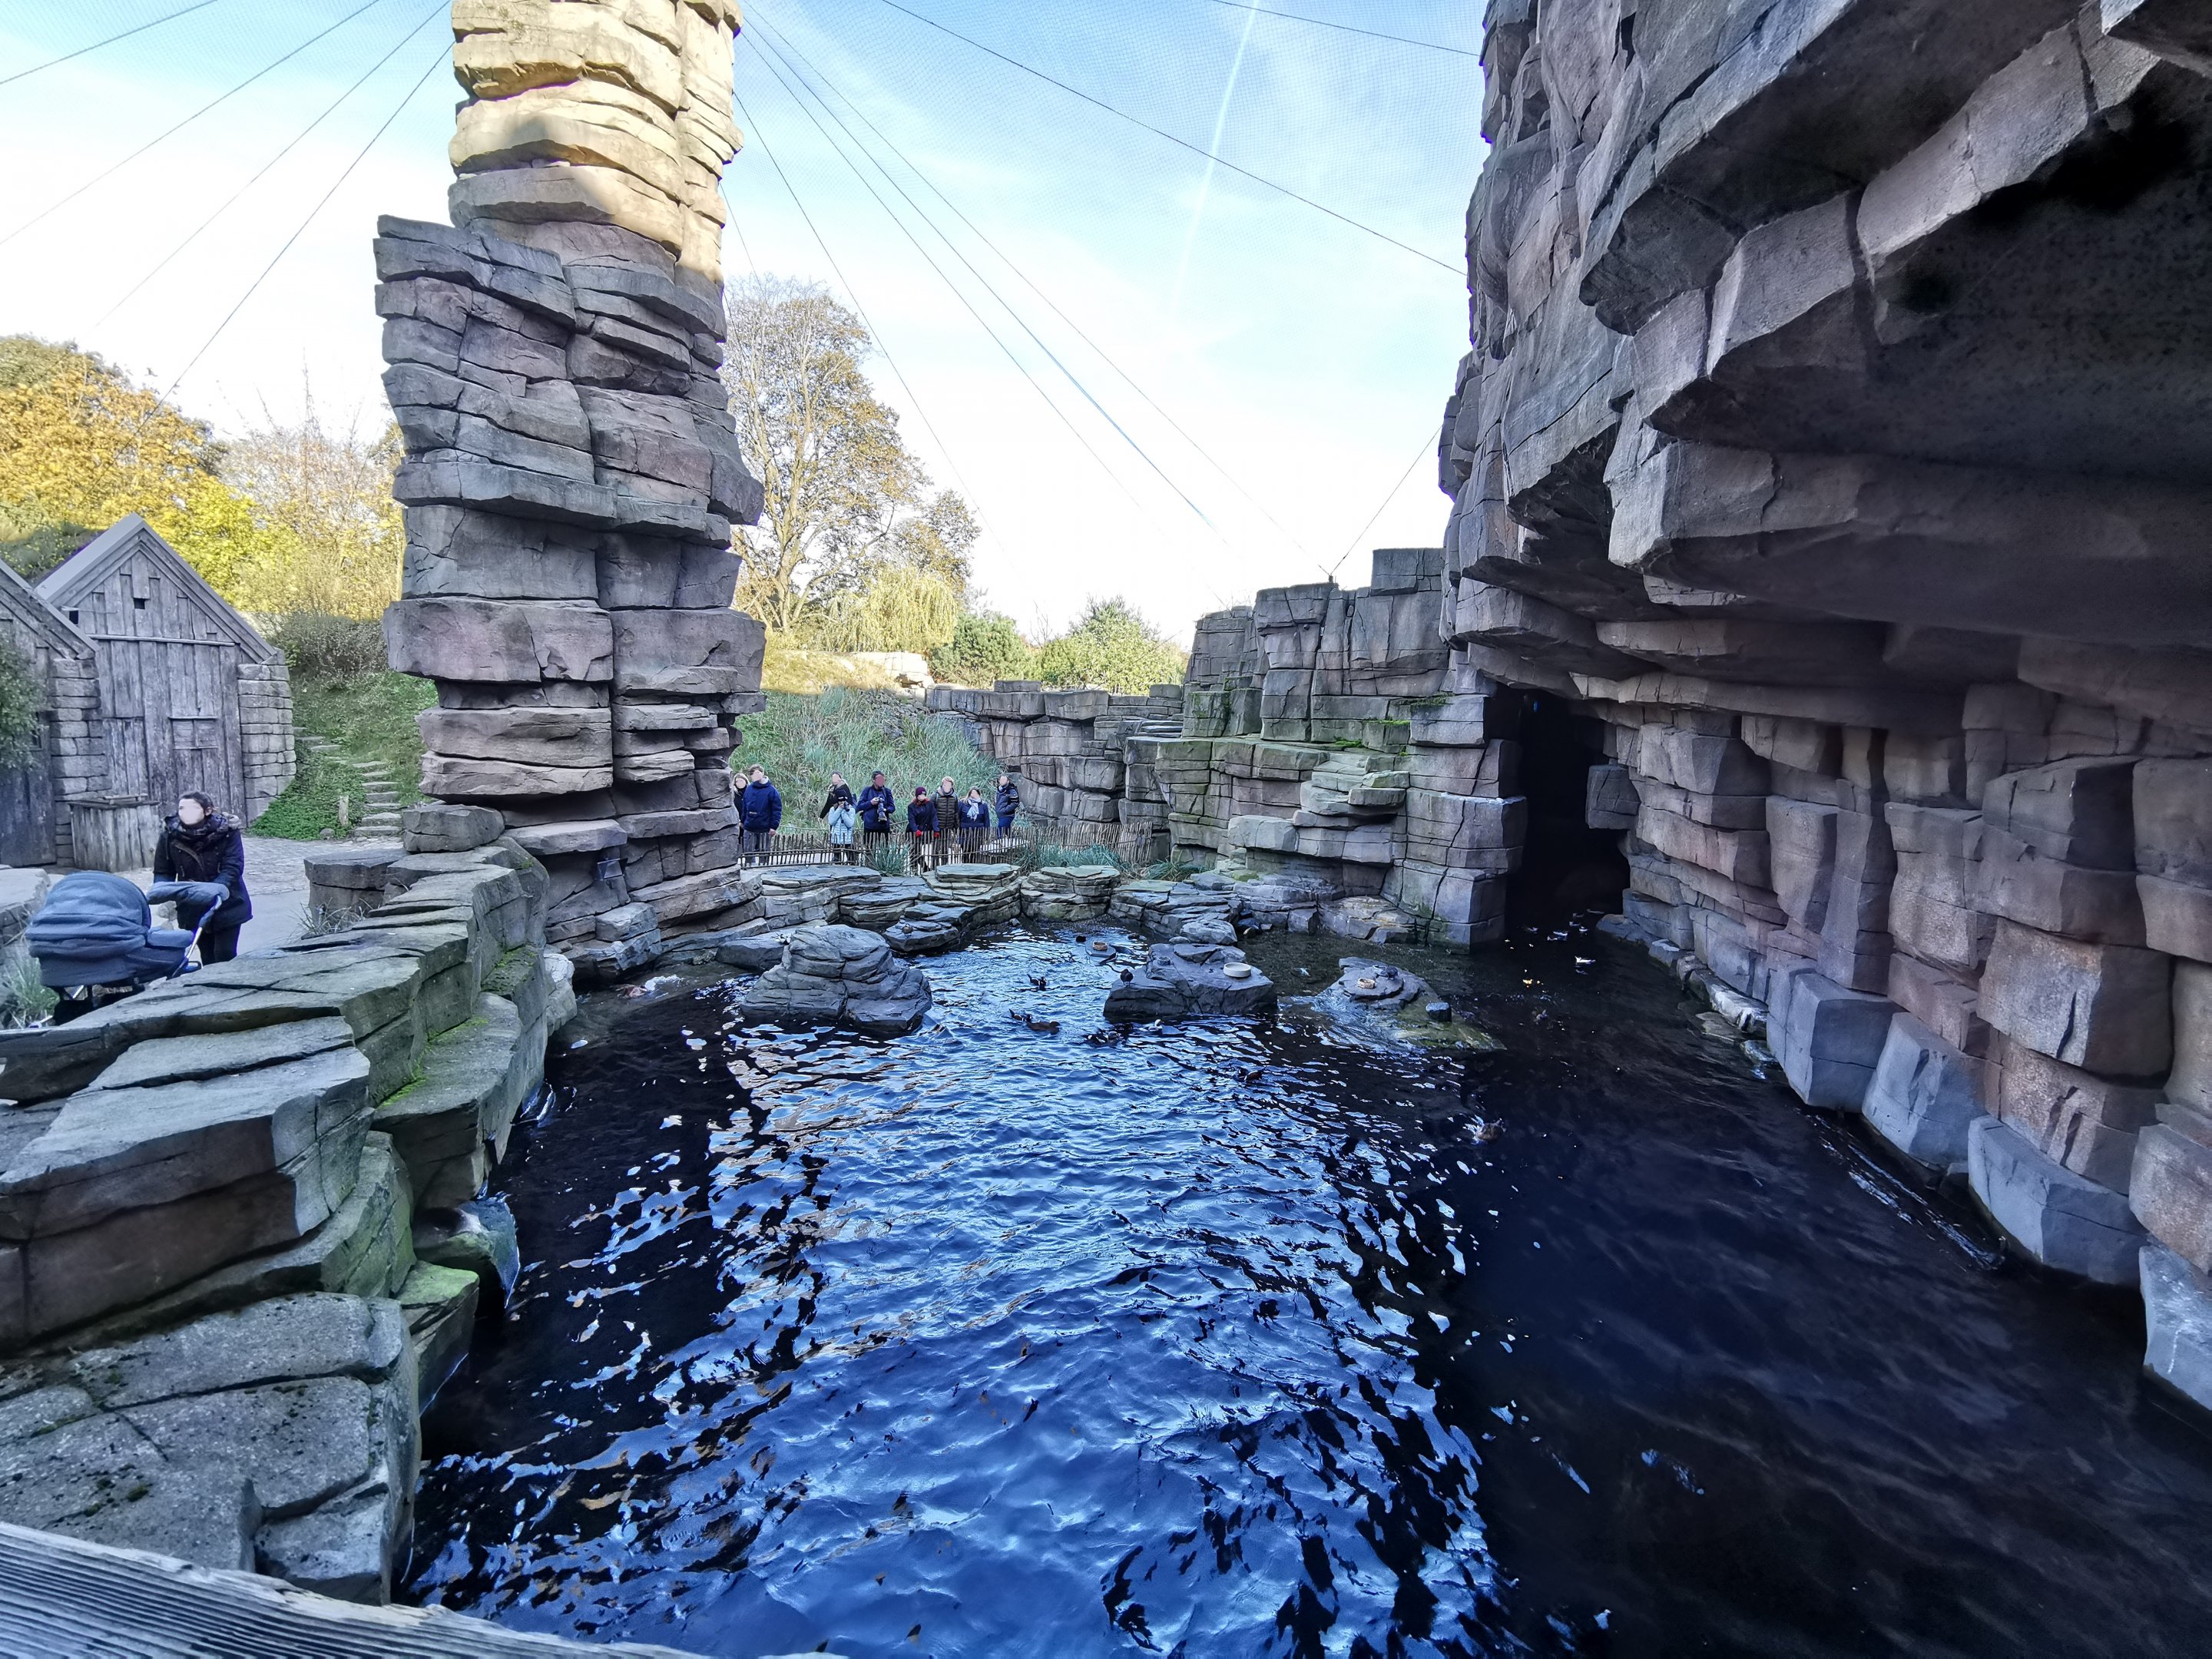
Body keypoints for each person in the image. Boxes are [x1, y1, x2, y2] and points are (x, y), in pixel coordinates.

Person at [151, 791, 251, 963]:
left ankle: (231, 987)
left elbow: (233, 867)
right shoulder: (169, 835)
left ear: (207, 811)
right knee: (207, 956)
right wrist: (164, 892)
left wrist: (214, 890)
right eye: (182, 808)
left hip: (227, 902)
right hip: (191, 906)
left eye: (193, 808)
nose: (186, 813)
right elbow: (163, 870)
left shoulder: (228, 832)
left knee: (225, 953)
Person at [738, 764, 783, 863]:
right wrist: (743, 821)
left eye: (756, 773)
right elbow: (745, 807)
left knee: (764, 854)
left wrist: (774, 827)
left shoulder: (772, 791)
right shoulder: (749, 789)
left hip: (765, 827)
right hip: (749, 826)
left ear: (762, 773)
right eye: (752, 774)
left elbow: (777, 810)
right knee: (749, 854)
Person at [857, 770, 896, 859]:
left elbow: (892, 807)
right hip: (870, 826)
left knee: (885, 850)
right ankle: (869, 868)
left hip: (883, 826)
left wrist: (885, 810)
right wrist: (871, 803)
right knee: (869, 850)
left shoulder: (887, 791)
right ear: (873, 780)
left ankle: (883, 868)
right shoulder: (867, 791)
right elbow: (859, 806)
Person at [906, 785, 939, 870]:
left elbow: (934, 817)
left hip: (925, 831)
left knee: (918, 851)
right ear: (917, 796)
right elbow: (911, 820)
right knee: (914, 852)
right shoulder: (911, 806)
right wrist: (916, 830)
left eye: (924, 795)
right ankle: (918, 869)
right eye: (920, 795)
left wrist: (936, 829)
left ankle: (925, 869)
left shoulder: (930, 805)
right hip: (913, 832)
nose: (922, 797)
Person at [934, 776, 961, 864]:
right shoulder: (935, 795)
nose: (946, 785)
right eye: (945, 784)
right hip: (937, 828)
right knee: (936, 850)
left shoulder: (955, 797)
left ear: (952, 785)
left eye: (948, 784)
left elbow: (956, 812)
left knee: (946, 850)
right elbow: (931, 812)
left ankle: (944, 868)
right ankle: (934, 868)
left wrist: (957, 826)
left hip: (948, 827)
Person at [826, 794, 859, 863]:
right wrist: (839, 810)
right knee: (837, 858)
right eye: (840, 801)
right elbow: (832, 822)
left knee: (851, 858)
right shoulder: (833, 809)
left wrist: (844, 812)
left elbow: (850, 824)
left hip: (847, 837)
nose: (842, 802)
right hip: (836, 836)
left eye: (844, 800)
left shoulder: (851, 810)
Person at [958, 786, 990, 854]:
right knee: (965, 852)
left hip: (978, 833)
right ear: (969, 794)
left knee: (975, 853)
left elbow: (986, 820)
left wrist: (986, 834)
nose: (974, 795)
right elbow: (958, 816)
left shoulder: (983, 805)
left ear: (979, 794)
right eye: (972, 793)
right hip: (965, 832)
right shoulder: (962, 803)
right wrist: (959, 827)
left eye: (976, 793)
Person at [995, 772, 1021, 837]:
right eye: (1001, 780)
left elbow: (1015, 803)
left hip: (1008, 814)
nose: (1002, 781)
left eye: (1004, 780)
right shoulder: (999, 790)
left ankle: (999, 843)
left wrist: (1005, 810)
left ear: (1008, 781)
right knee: (1007, 831)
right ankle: (1013, 841)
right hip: (1001, 814)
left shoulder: (1011, 790)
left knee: (1000, 828)